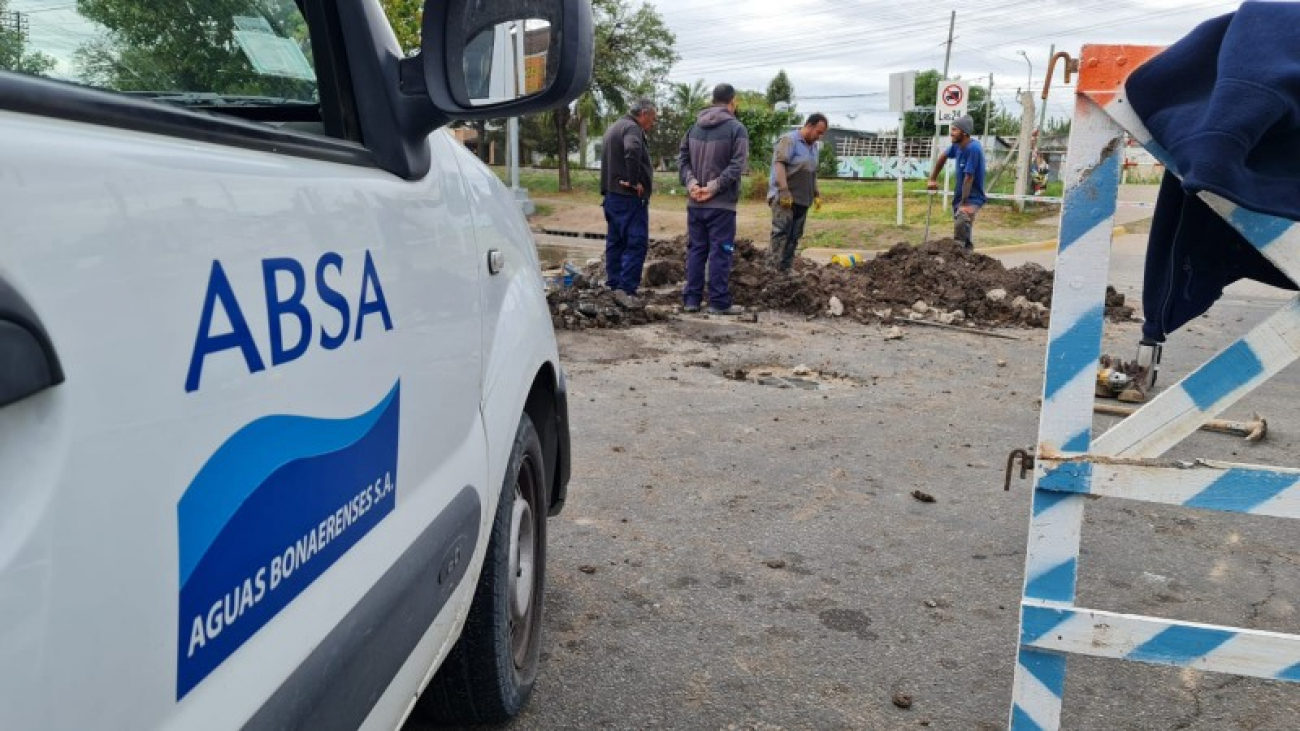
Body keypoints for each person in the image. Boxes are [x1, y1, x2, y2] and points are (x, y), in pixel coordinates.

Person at [678, 83, 750, 315]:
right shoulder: (736, 129)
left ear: (712, 99)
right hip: (721, 205)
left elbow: (682, 161)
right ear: (733, 101)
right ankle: (718, 302)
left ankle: (691, 300)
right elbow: (737, 165)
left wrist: (692, 184)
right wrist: (714, 187)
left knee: (696, 250)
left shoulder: (693, 129)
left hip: (695, 203)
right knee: (721, 251)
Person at [599, 99, 657, 297]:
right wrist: (634, 181)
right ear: (643, 113)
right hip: (628, 198)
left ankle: (613, 285)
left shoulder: (615, 126)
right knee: (635, 242)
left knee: (616, 242)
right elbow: (632, 149)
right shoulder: (632, 129)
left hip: (611, 196)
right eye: (652, 118)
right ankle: (627, 290)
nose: (653, 123)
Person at [767, 113, 829, 272]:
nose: (819, 137)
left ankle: (786, 269)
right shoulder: (789, 140)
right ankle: (771, 270)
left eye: (822, 134)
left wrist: (816, 193)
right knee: (781, 233)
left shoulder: (814, 147)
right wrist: (784, 190)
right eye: (818, 132)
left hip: (803, 198)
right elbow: (779, 164)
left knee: (794, 236)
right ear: (809, 126)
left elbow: (811, 171)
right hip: (785, 198)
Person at [926, 114, 986, 251]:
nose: (951, 133)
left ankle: (960, 257)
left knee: (961, 222)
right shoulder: (957, 146)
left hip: (973, 197)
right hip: (960, 196)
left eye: (954, 130)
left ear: (964, 132)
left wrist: (965, 203)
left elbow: (969, 178)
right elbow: (943, 157)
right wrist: (932, 179)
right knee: (964, 230)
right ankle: (967, 257)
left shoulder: (973, 149)